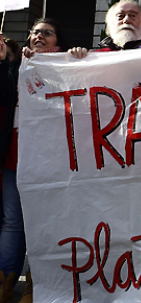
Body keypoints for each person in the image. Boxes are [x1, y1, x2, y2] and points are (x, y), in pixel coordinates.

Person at [2, 19, 74, 302]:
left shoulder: (68, 65)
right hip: (15, 156)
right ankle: (5, 280)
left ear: (58, 40)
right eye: (35, 32)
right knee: (13, 221)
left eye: (47, 32)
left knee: (47, 221)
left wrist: (75, 58)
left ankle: (38, 282)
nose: (39, 36)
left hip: (51, 158)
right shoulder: (16, 66)